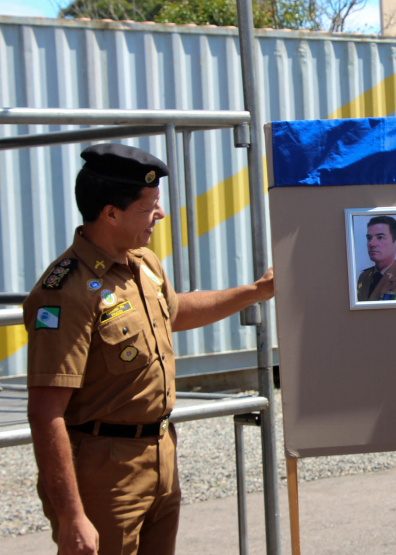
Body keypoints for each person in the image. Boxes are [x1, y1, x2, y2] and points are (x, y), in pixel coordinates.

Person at [24, 143, 275, 555]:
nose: (158, 215)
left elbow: (174, 312)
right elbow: (45, 411)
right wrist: (71, 514)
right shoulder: (65, 293)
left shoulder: (142, 262)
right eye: (149, 207)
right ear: (110, 213)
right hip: (106, 477)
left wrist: (255, 292)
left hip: (159, 457)